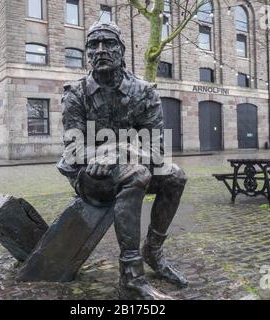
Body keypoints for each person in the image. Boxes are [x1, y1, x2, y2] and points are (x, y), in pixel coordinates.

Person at [57, 22, 188, 300]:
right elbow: (72, 152)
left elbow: (157, 148)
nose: (101, 50)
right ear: (87, 53)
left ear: (122, 50)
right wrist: (101, 156)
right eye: (94, 45)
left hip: (129, 164)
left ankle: (152, 251)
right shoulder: (76, 94)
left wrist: (118, 150)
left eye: (109, 43)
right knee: (137, 174)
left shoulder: (144, 91)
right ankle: (130, 278)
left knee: (175, 176)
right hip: (90, 177)